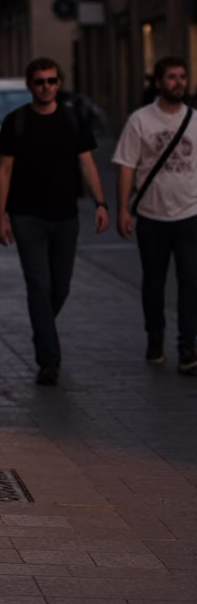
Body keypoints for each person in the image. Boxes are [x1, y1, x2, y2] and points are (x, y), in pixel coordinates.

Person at [0, 57, 108, 387]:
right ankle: (49, 359)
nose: (47, 86)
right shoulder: (16, 122)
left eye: (52, 81)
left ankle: (43, 331)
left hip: (65, 217)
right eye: (40, 81)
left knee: (60, 288)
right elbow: (3, 171)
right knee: (38, 285)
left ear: (59, 84)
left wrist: (101, 203)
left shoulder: (73, 120)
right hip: (26, 216)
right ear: (30, 86)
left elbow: (87, 163)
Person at [114, 55, 197, 374]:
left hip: (190, 215)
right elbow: (126, 167)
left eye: (182, 76)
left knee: (191, 282)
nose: (178, 82)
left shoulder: (194, 120)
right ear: (159, 83)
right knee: (154, 284)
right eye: (172, 77)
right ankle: (155, 337)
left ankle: (188, 346)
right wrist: (122, 209)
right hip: (151, 216)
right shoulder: (140, 120)